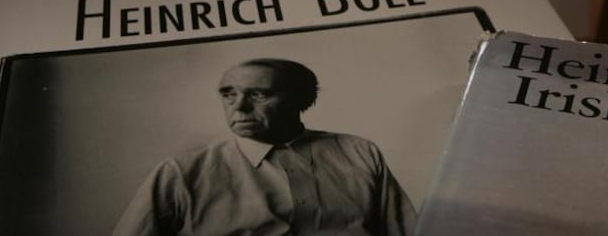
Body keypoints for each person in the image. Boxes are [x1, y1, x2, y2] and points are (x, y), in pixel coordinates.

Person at [112, 58, 416, 236]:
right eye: (228, 95)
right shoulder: (181, 173)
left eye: (258, 95)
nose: (239, 107)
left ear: (302, 100)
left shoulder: (359, 152)